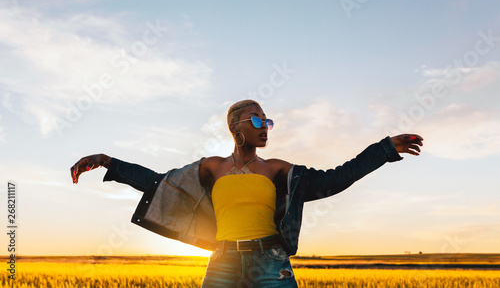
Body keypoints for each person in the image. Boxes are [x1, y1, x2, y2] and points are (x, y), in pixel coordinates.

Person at [70, 99, 423, 287]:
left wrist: (384, 150)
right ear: (234, 127)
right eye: (256, 119)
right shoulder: (210, 168)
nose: (264, 126)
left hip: (270, 264)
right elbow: (161, 184)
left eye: (267, 121)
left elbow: (336, 179)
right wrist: (108, 163)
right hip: (221, 263)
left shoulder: (278, 170)